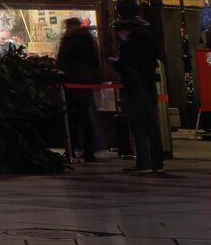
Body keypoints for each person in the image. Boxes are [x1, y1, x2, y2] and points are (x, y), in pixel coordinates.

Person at [111, 17, 165, 174]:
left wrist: (115, 63)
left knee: (139, 127)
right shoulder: (149, 43)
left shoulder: (128, 46)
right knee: (152, 127)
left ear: (124, 30)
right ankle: (157, 162)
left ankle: (144, 163)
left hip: (135, 90)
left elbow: (125, 66)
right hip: (149, 88)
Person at [56, 17, 103, 162]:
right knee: (85, 117)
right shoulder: (87, 39)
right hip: (85, 82)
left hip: (73, 82)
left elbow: (62, 60)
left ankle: (73, 148)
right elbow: (95, 61)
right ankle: (88, 150)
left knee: (73, 118)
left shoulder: (69, 40)